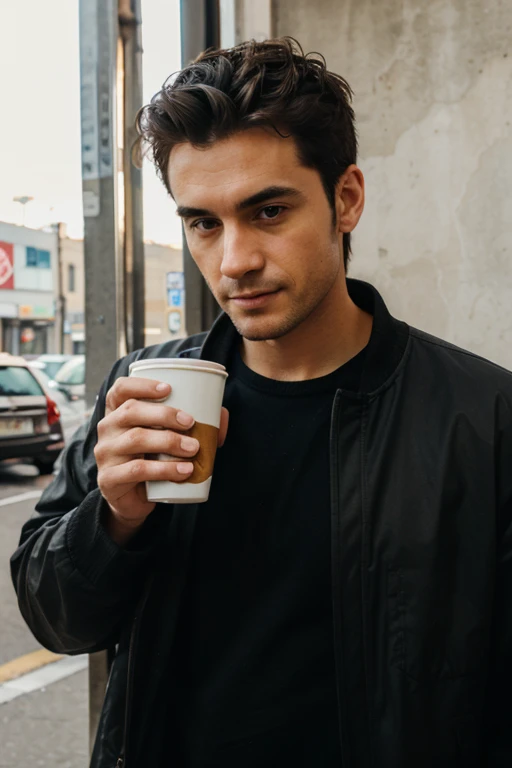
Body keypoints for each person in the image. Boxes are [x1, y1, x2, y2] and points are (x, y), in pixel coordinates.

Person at [10, 37, 512, 768]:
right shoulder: (145, 387)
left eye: (268, 211)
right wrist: (112, 519)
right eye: (203, 223)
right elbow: (57, 618)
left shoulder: (484, 419)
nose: (234, 261)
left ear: (346, 199)